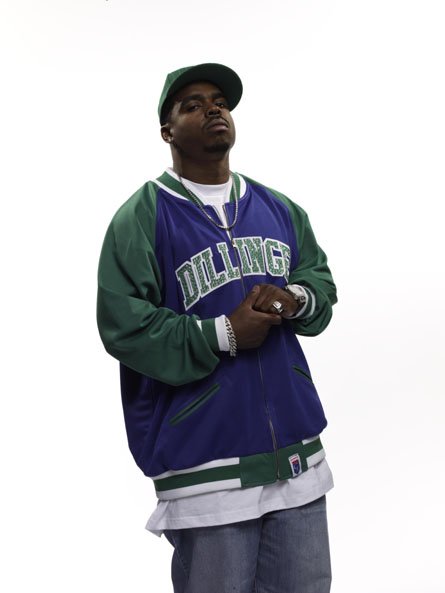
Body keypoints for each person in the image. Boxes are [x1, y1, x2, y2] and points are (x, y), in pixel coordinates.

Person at [97, 62, 337, 593]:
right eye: (193, 105)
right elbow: (123, 325)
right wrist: (222, 333)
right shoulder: (141, 216)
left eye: (220, 103)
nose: (213, 110)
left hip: (297, 459)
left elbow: (319, 283)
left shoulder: (279, 208)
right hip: (207, 465)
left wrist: (295, 298)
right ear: (167, 131)